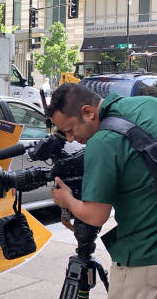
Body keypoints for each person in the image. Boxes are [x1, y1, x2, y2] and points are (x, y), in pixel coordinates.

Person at [49, 83, 157, 298]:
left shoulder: (102, 141)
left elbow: (95, 216)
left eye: (70, 130)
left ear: (88, 112)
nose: (70, 139)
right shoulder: (149, 104)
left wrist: (67, 200)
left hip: (144, 259)